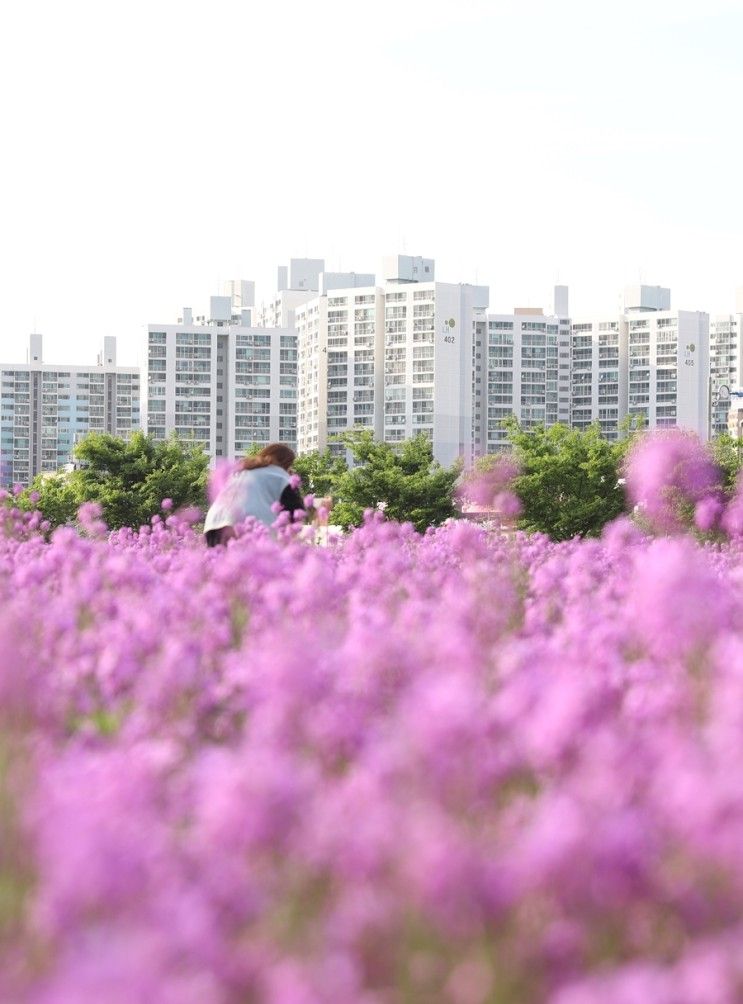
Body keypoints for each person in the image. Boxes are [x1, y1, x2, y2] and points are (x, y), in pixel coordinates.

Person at [204, 443, 305, 547]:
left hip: (213, 524)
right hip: (249, 527)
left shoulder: (241, 472)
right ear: (286, 463)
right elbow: (296, 512)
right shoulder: (281, 476)